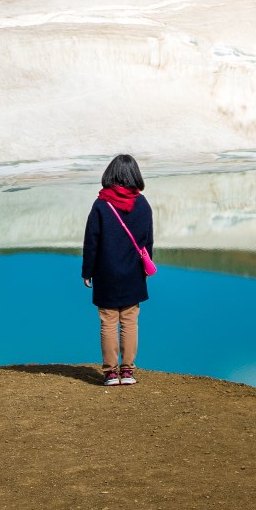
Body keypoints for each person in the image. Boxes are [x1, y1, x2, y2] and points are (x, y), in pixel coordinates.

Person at [81, 153, 154, 387]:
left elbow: (92, 241)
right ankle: (128, 371)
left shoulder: (102, 204)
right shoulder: (143, 204)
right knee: (130, 321)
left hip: (106, 272)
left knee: (108, 321)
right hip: (133, 272)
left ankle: (111, 373)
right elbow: (147, 242)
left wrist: (87, 271)